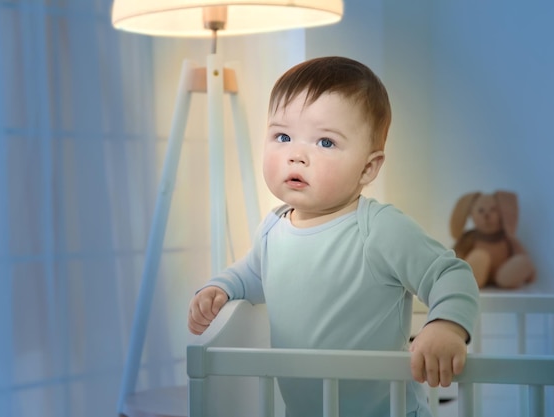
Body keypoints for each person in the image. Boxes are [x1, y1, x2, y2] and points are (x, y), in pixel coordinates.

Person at [188, 56, 479, 417]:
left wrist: (446, 326)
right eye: (282, 136)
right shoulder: (274, 228)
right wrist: (220, 288)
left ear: (368, 167)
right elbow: (252, 275)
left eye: (325, 142)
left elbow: (450, 273)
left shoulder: (378, 229)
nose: (297, 155)